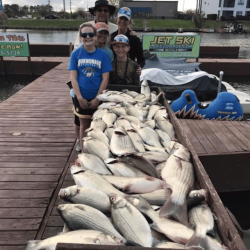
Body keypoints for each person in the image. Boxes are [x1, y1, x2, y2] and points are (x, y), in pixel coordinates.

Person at [69, 23, 112, 152]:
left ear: (95, 37)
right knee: (84, 125)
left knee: (98, 126)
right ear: (80, 37)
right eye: (84, 35)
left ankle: (98, 152)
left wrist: (98, 98)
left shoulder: (103, 55)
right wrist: (79, 97)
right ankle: (84, 152)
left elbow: (105, 78)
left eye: (91, 34)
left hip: (97, 97)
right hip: (82, 96)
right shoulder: (76, 54)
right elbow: (73, 78)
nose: (87, 37)